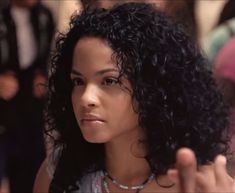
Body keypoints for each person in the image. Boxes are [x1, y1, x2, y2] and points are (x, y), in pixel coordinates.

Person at [34, 2, 233, 193]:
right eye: (78, 82)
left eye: (109, 81)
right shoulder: (58, 172)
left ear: (152, 87)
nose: (86, 98)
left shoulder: (195, 182)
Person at [0, 0, 55, 192]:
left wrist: (41, 76)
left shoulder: (43, 16)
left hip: (31, 101)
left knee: (32, 161)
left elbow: (48, 54)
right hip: (5, 105)